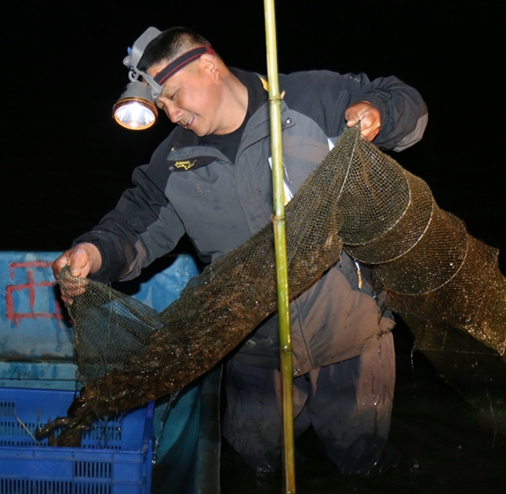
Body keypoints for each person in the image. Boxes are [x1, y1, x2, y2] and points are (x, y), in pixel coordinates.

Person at [52, 27, 427, 476]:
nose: (172, 114)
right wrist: (92, 253)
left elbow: (409, 105)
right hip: (253, 351)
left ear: (209, 66)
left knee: (362, 463)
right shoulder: (173, 161)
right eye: (162, 106)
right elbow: (132, 226)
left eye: (173, 96)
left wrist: (379, 111)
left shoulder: (310, 99)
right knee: (256, 469)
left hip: (352, 336)